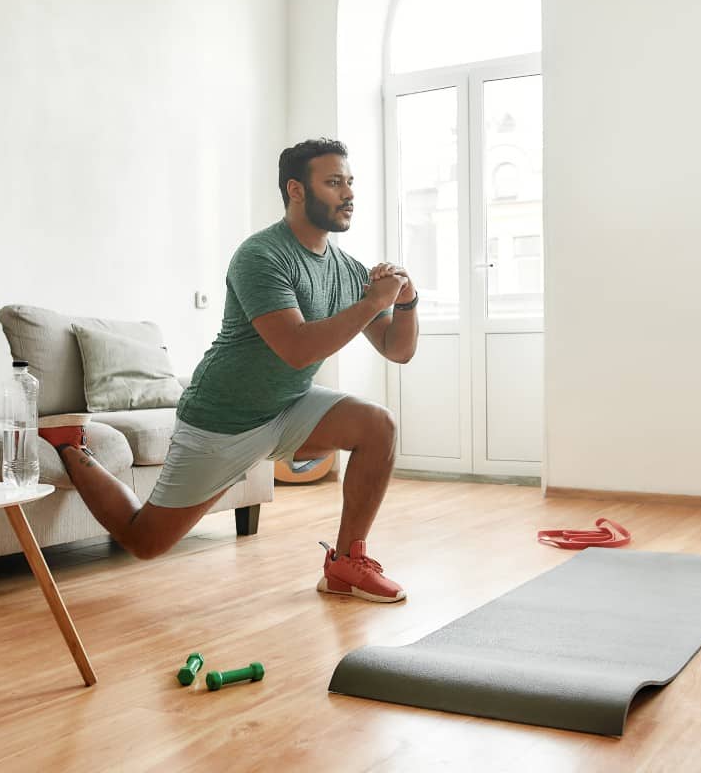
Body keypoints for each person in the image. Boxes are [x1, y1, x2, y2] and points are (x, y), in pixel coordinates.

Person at [39, 138, 418, 603]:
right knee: (144, 541)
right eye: (334, 182)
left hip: (289, 406)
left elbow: (397, 350)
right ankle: (73, 448)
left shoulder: (346, 269)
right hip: (222, 418)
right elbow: (296, 350)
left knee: (378, 425)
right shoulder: (261, 256)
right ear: (296, 190)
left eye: (350, 182)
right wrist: (371, 301)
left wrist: (406, 302)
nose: (348, 194)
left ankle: (345, 565)